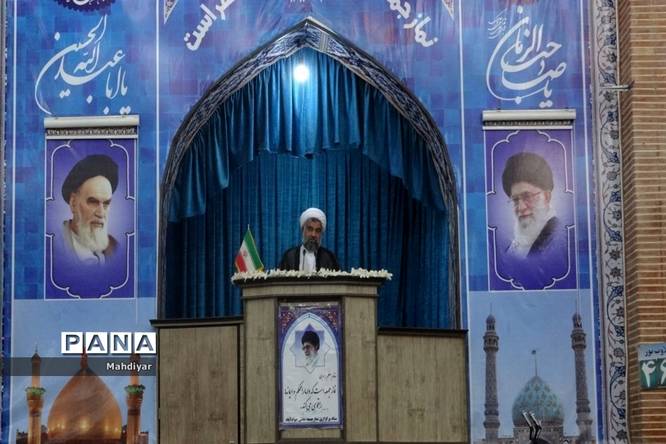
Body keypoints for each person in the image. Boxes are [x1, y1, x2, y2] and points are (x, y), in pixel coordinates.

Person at [61, 154, 119, 266]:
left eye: (106, 203)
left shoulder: (114, 247)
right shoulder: (54, 244)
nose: (101, 213)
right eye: (93, 202)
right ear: (73, 203)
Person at [501, 152, 561, 259]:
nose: (521, 207)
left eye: (527, 196)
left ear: (546, 197)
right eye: (515, 200)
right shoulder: (512, 248)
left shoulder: (559, 240)